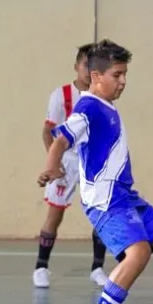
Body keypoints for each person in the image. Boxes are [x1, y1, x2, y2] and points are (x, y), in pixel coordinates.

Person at [38, 39, 153, 304]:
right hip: (105, 201)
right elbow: (60, 138)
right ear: (96, 76)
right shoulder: (88, 106)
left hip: (126, 196)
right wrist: (51, 167)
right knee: (137, 254)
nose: (123, 81)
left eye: (124, 75)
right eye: (117, 75)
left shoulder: (107, 106)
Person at [34, 43, 109, 289]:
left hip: (93, 161)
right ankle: (41, 267)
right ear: (76, 66)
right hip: (66, 160)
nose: (89, 70)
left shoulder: (102, 96)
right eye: (85, 65)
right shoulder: (61, 95)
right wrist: (53, 162)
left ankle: (98, 268)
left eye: (94, 66)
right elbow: (48, 131)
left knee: (101, 215)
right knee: (55, 214)